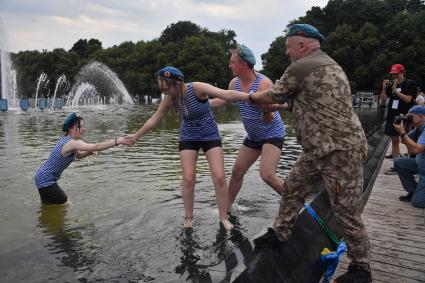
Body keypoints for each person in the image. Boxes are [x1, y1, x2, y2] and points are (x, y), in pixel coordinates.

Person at [244, 24, 372, 282]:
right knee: (292, 187)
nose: (287, 52)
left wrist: (249, 98)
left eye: (289, 47)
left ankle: (362, 269)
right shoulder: (330, 66)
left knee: (346, 211)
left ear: (302, 44)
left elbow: (273, 93)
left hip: (339, 152)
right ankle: (280, 233)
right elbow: (308, 103)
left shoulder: (301, 67)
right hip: (318, 149)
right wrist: (279, 106)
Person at [128, 66, 249, 230]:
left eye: (166, 88)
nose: (165, 93)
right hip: (188, 136)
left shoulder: (197, 88)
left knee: (219, 177)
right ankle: (189, 219)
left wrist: (253, 97)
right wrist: (136, 136)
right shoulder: (169, 98)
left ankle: (223, 218)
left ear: (177, 83)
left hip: (209, 135)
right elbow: (153, 120)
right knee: (188, 178)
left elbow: (226, 94)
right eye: (162, 90)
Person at [210, 44, 286, 208]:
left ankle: (295, 201)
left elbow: (269, 119)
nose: (230, 65)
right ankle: (227, 207)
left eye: (232, 62)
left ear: (243, 64)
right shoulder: (234, 83)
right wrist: (205, 103)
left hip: (272, 133)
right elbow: (225, 99)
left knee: (267, 175)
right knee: (237, 171)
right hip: (253, 136)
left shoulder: (264, 85)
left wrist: (266, 110)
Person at [35, 112, 133, 205]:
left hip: (42, 177)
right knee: (67, 206)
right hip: (46, 180)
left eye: (83, 126)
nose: (84, 129)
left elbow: (78, 155)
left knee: (48, 206)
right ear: (71, 128)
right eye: (80, 126)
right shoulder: (73, 143)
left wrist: (89, 152)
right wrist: (118, 141)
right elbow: (97, 146)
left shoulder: (68, 141)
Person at [380, 64, 417, 172]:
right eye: (393, 74)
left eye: (396, 74)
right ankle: (397, 165)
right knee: (394, 140)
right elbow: (382, 101)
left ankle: (411, 164)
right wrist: (383, 89)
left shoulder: (410, 83)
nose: (394, 76)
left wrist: (395, 90)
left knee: (407, 140)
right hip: (392, 115)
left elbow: (408, 100)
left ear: (402, 72)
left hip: (406, 115)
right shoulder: (390, 85)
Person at [393, 105, 425, 208]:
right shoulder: (419, 128)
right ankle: (414, 190)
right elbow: (403, 140)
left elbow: (417, 149)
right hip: (420, 165)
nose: (409, 118)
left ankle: (420, 192)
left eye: (411, 116)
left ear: (421, 117)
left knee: (418, 203)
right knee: (399, 162)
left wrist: (402, 133)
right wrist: (404, 124)